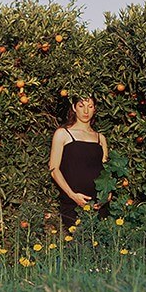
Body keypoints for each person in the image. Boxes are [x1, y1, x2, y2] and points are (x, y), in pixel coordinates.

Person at [48, 95, 110, 230]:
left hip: (98, 203)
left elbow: (107, 172)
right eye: (81, 106)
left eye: (90, 106)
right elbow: (53, 169)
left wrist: (107, 195)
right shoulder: (63, 133)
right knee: (76, 246)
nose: (86, 111)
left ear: (95, 109)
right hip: (73, 203)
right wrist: (72, 196)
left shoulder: (101, 138)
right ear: (74, 108)